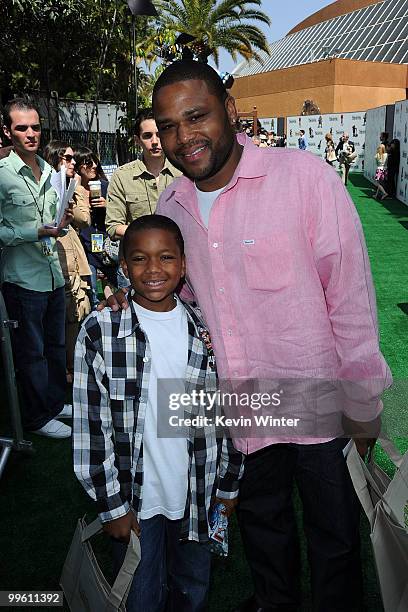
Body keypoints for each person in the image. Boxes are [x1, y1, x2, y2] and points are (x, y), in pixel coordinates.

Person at [106, 60, 391, 612]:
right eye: (168, 125)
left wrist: (363, 399)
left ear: (230, 111)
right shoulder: (172, 207)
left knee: (335, 542)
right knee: (264, 531)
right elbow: (183, 299)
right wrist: (133, 298)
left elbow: (350, 297)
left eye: (196, 116)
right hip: (242, 407)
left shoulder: (304, 178)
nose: (182, 137)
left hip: (320, 402)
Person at [73, 214, 244, 612]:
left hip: (196, 495)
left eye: (166, 257)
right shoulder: (102, 330)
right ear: (123, 265)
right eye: (139, 259)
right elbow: (90, 427)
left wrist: (228, 484)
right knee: (139, 596)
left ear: (183, 265)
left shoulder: (204, 328)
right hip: (135, 503)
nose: (153, 269)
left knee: (191, 590)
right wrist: (112, 506)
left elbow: (224, 414)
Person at [0, 98, 74, 438]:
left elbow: (52, 220)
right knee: (32, 354)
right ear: (7, 131)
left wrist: (62, 221)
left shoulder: (49, 170)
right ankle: (36, 417)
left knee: (56, 346)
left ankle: (55, 403)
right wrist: (33, 232)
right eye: (22, 128)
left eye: (36, 127)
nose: (31, 134)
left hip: (53, 274)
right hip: (22, 280)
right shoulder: (2, 176)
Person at [43, 140, 91, 383]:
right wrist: (79, 189)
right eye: (67, 158)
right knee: (66, 320)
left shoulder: (69, 185)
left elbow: (81, 219)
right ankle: (65, 374)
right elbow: (82, 217)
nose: (74, 163)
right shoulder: (50, 186)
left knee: (77, 316)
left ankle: (71, 371)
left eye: (73, 158)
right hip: (59, 261)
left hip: (73, 258)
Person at [105, 108, 181, 241]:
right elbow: (113, 227)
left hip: (176, 254)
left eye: (159, 134)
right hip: (138, 255)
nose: (155, 141)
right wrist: (148, 232)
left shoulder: (183, 173)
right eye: (147, 136)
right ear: (137, 140)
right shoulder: (122, 176)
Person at [74, 145, 118, 308]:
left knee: (121, 285)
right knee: (92, 294)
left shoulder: (104, 186)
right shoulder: (74, 190)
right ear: (78, 166)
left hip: (106, 246)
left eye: (95, 162)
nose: (94, 166)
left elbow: (118, 213)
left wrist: (108, 205)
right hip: (86, 248)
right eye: (88, 162)